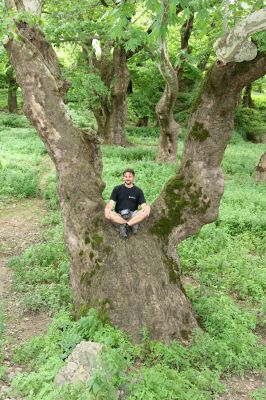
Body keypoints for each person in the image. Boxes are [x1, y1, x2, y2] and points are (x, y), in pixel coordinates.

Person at [104, 168, 150, 238]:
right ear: (123, 177)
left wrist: (146, 208)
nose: (127, 178)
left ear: (133, 177)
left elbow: (143, 205)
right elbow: (111, 202)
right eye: (126, 176)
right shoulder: (117, 189)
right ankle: (128, 224)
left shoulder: (138, 191)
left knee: (147, 209)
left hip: (133, 215)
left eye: (130, 176)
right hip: (120, 215)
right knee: (109, 213)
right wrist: (107, 209)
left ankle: (127, 224)